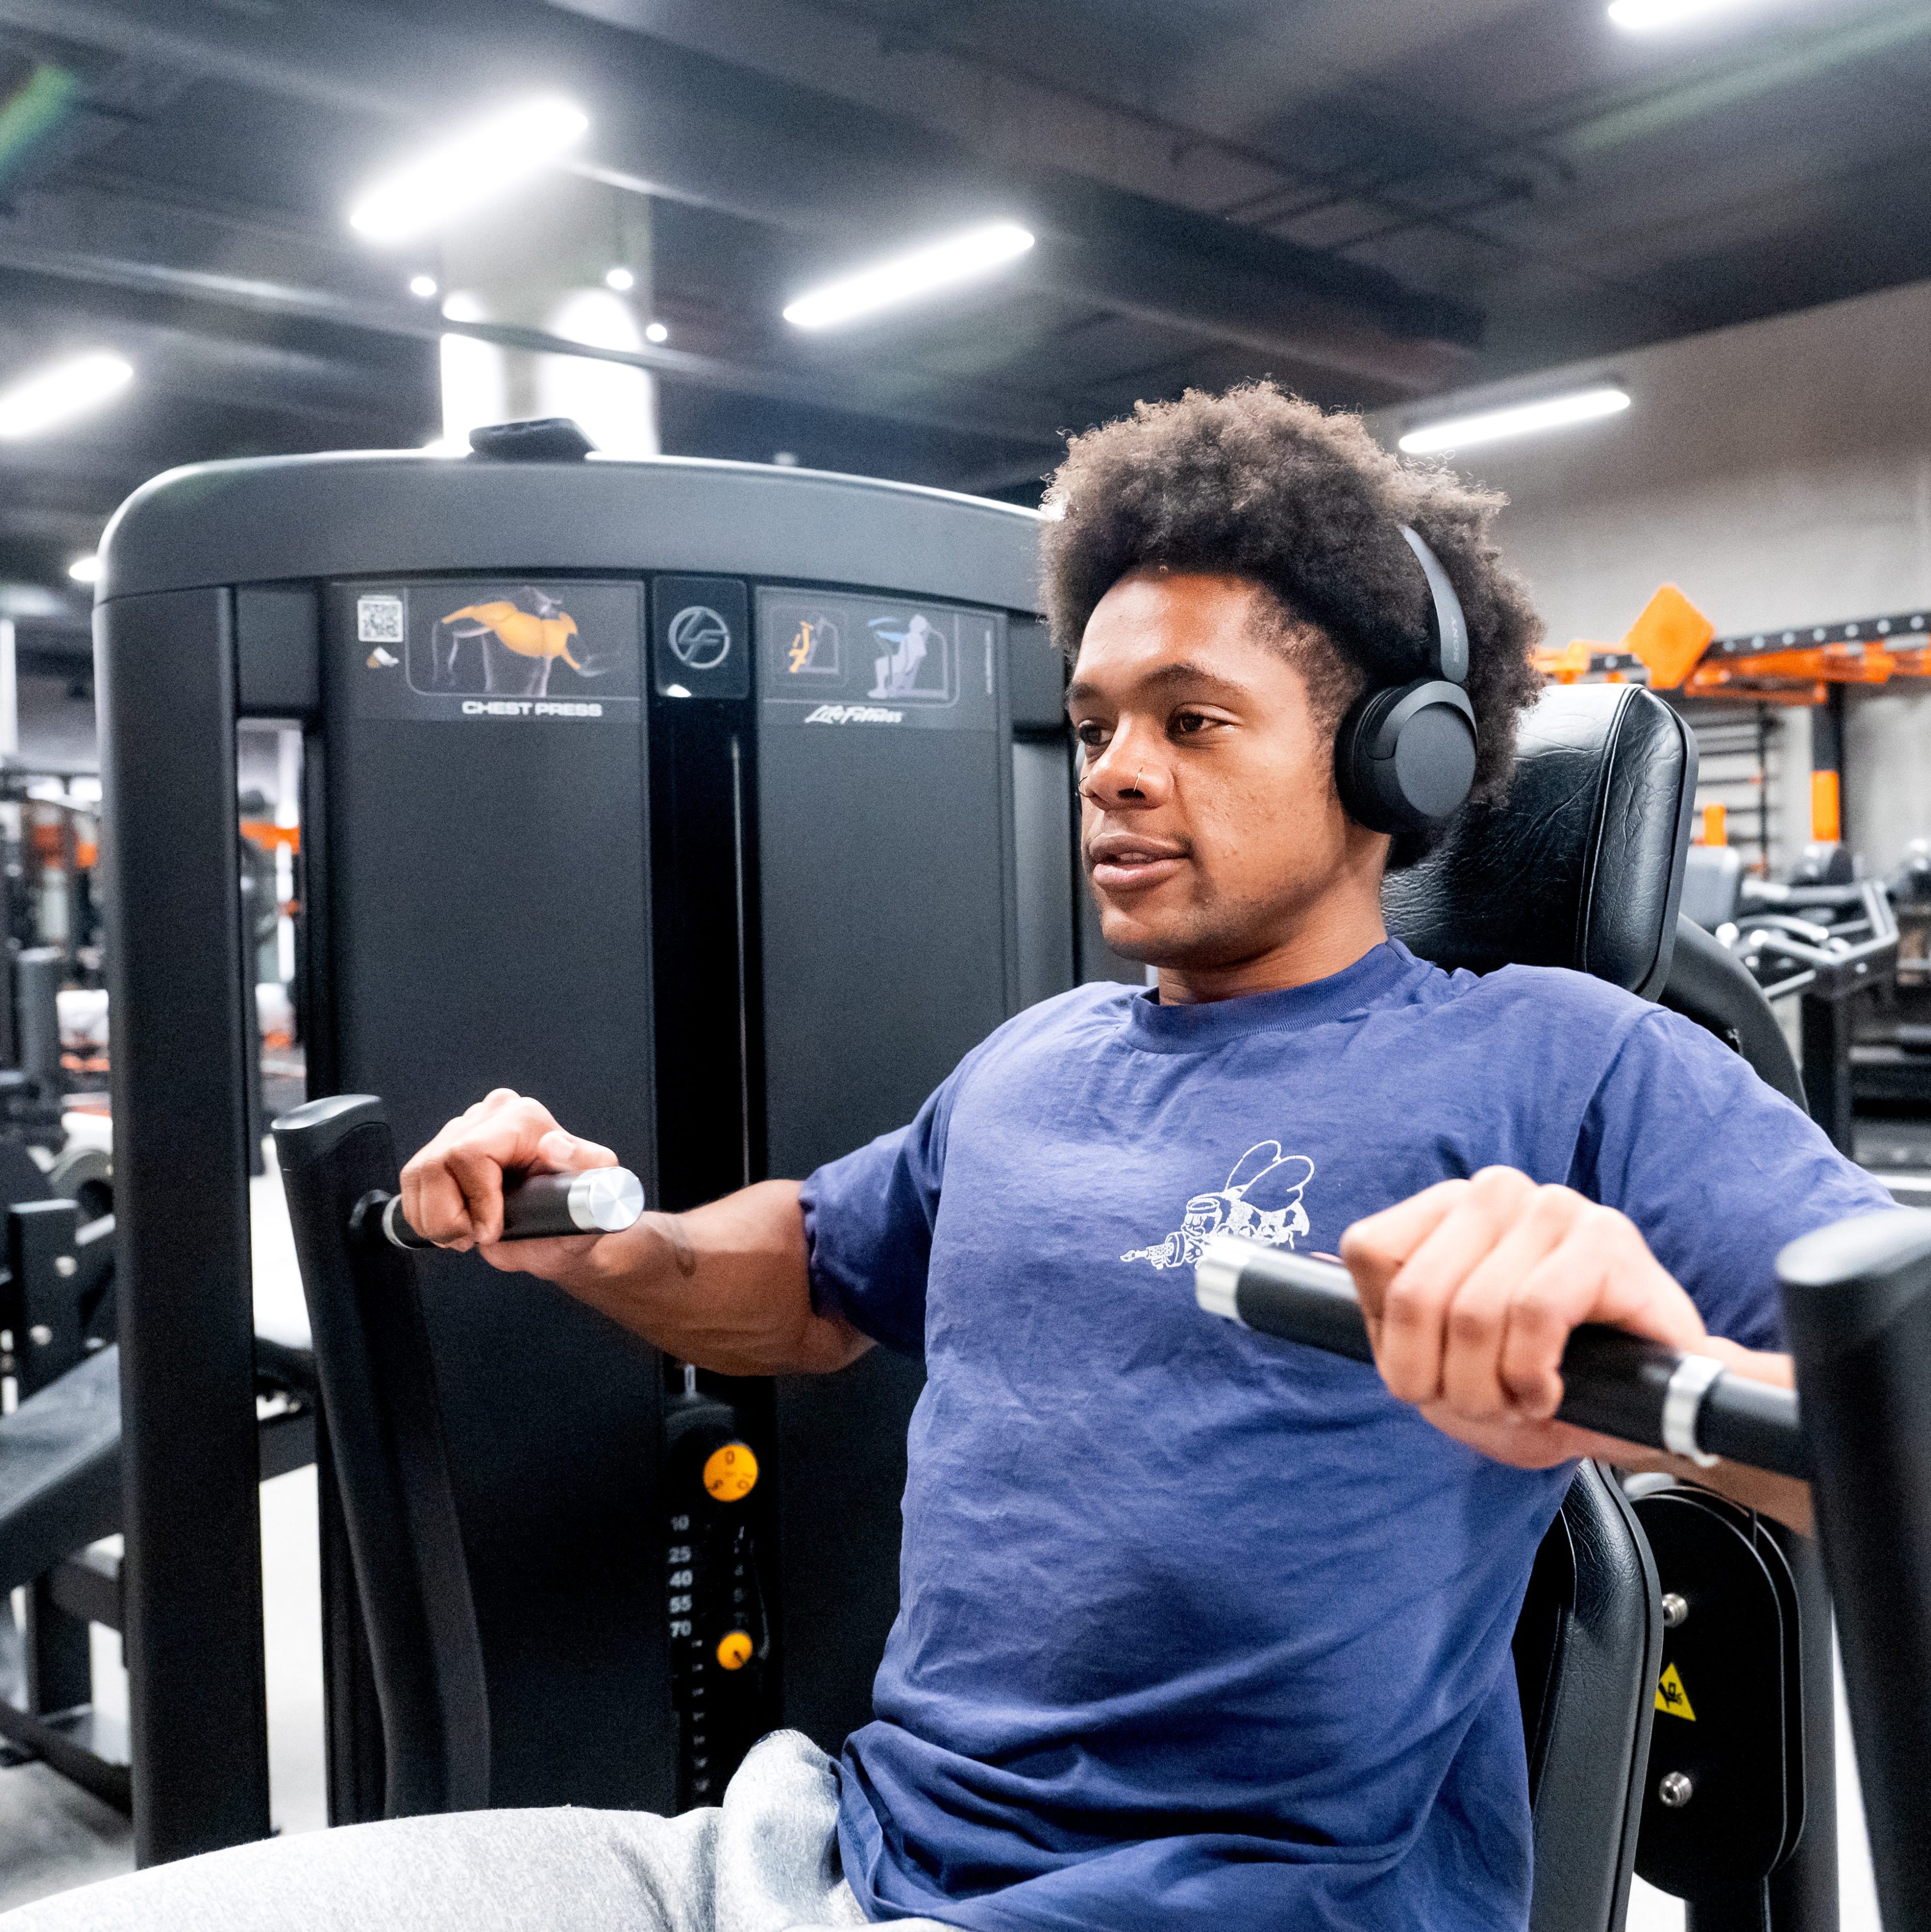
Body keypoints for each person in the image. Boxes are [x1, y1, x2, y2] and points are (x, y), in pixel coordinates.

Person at [13, 384, 1889, 1930]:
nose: (1115, 771)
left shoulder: (1560, 1062)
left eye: (1190, 722)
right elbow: (818, 1278)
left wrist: (1658, 1383)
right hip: (812, 1857)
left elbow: (1901, 1410)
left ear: (1395, 762)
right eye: (1092, 726)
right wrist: (598, 1232)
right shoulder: (1032, 1065)